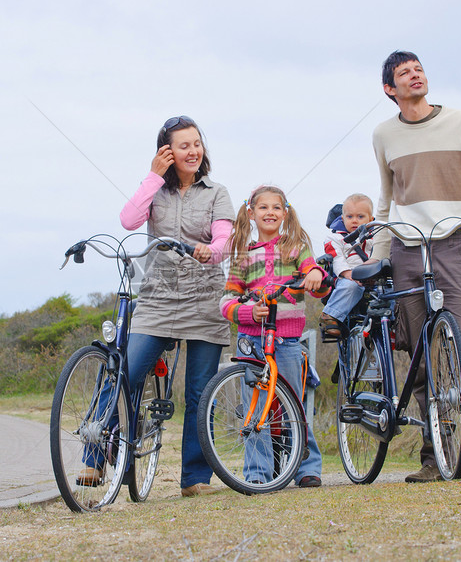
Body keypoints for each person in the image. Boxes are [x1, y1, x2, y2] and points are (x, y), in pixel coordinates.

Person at [371, 51, 461, 481]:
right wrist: (379, 259)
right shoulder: (383, 135)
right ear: (389, 90)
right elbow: (385, 200)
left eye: (418, 69)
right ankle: (437, 458)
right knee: (420, 362)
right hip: (405, 249)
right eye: (404, 73)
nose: (415, 76)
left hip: (453, 245)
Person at [80, 116, 235, 497]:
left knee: (200, 393)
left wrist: (210, 251)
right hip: (158, 299)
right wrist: (152, 176)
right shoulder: (156, 192)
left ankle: (195, 480)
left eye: (197, 143)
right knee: (124, 373)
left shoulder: (217, 192)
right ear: (166, 152)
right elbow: (129, 219)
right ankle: (95, 457)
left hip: (203, 300)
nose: (193, 151)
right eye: (183, 145)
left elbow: (224, 239)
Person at [220, 185, 329, 488]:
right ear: (251, 213)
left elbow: (315, 278)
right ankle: (258, 473)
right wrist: (246, 313)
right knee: (255, 409)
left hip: (287, 341)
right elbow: (226, 301)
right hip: (251, 342)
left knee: (294, 404)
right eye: (263, 207)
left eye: (276, 207)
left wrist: (316, 276)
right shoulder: (243, 256)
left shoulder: (295, 248)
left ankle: (307, 466)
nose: (270, 212)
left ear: (285, 213)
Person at [319, 193, 375, 336]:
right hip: (348, 277)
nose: (354, 220)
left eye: (360, 217)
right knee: (351, 286)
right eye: (350, 217)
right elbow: (336, 258)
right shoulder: (335, 238)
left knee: (392, 290)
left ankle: (393, 324)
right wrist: (348, 273)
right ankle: (330, 315)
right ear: (343, 219)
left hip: (374, 278)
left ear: (371, 219)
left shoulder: (377, 238)